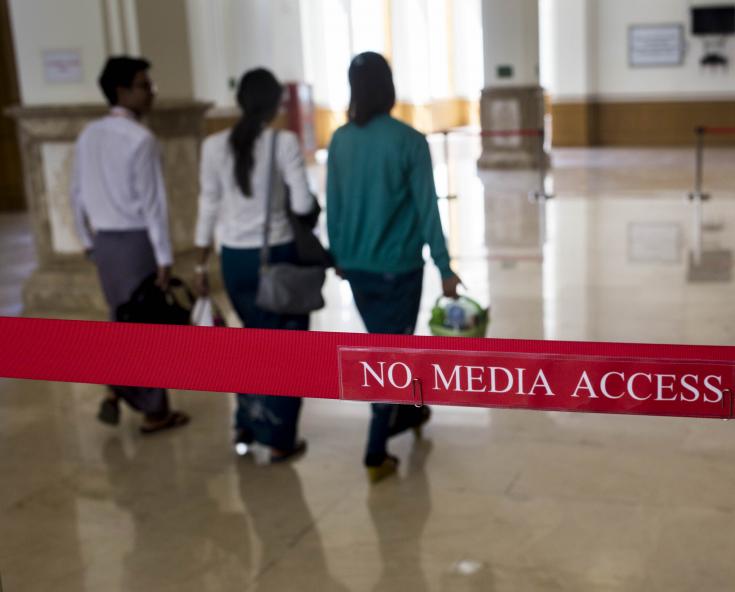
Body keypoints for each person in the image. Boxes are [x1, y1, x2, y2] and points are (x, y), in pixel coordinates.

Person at [326, 52, 461, 483]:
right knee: (391, 353)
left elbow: (336, 207)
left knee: (384, 344)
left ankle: (410, 409)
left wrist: (341, 257)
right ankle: (374, 451)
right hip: (399, 270)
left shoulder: (342, 140)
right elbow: (428, 210)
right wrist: (444, 266)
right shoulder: (408, 141)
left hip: (358, 270)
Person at [193, 68, 316, 464]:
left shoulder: (213, 145)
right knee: (286, 350)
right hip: (276, 258)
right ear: (274, 103)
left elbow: (208, 204)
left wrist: (200, 261)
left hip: (234, 261)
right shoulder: (283, 142)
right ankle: (278, 437)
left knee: (250, 342)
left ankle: (246, 424)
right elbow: (301, 205)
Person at [70, 55, 190, 435]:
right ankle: (155, 411)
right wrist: (165, 258)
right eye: (144, 84)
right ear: (122, 90)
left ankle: (114, 390)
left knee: (120, 318)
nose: (151, 92)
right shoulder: (140, 139)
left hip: (105, 242)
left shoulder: (89, 134)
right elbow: (153, 204)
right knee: (145, 325)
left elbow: (75, 195)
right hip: (136, 241)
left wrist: (87, 239)